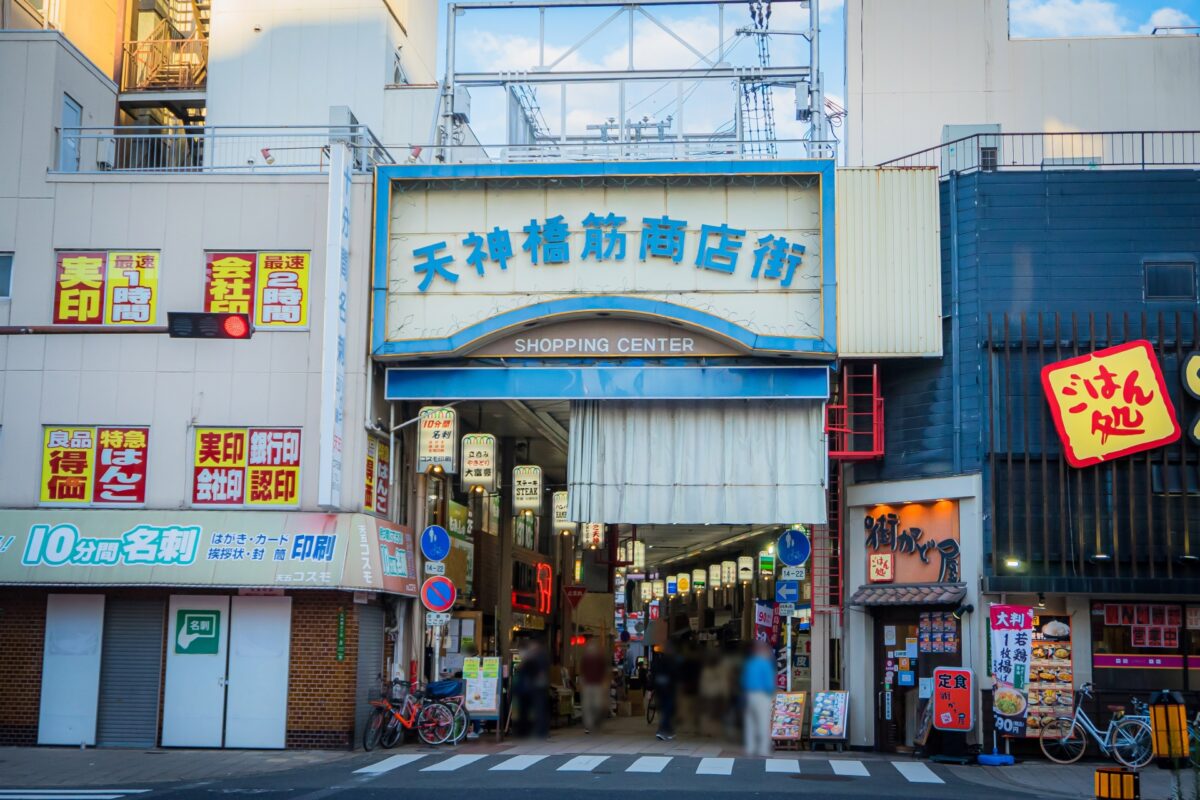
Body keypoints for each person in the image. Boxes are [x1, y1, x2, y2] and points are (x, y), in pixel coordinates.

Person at [741, 641, 776, 757]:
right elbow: (768, 682)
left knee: (750, 723)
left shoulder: (749, 663)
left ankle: (750, 748)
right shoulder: (765, 664)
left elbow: (743, 680)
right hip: (762, 695)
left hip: (748, 694)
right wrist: (771, 694)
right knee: (763, 722)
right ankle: (763, 749)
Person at [651, 641, 678, 741]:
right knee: (668, 709)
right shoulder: (672, 661)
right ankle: (662, 730)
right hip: (669, 688)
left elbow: (654, 673)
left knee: (666, 710)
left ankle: (669, 731)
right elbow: (675, 674)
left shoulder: (659, 660)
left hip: (660, 688)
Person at [580, 639, 609, 732]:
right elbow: (582, 671)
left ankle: (594, 720)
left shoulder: (600, 658)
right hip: (589, 684)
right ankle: (589, 724)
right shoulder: (586, 658)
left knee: (597, 705)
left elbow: (604, 671)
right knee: (587, 705)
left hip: (597, 684)